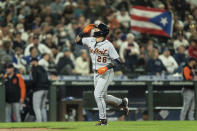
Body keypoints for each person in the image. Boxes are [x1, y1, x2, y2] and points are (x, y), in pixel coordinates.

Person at [75, 23, 129, 125]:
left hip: (107, 73)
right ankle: (122, 102)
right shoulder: (90, 40)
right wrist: (83, 32)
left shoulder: (108, 45)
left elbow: (117, 61)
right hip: (96, 73)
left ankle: (103, 120)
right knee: (102, 96)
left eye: (97, 28)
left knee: (97, 95)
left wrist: (106, 67)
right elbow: (77, 41)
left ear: (102, 32)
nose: (94, 29)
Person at [30, 58, 50, 122]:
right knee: (43, 108)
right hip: (46, 89)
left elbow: (34, 81)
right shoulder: (43, 68)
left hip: (38, 89)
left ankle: (39, 123)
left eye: (32, 62)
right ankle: (45, 122)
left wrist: (31, 88)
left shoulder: (35, 69)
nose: (31, 63)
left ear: (34, 62)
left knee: (36, 107)